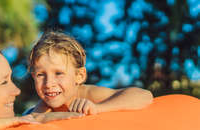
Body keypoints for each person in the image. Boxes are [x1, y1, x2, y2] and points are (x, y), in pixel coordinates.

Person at [25, 31, 153, 115]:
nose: (48, 83)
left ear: (79, 76)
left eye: (58, 73)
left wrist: (98, 108)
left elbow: (144, 95)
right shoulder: (43, 107)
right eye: (40, 75)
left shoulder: (88, 94)